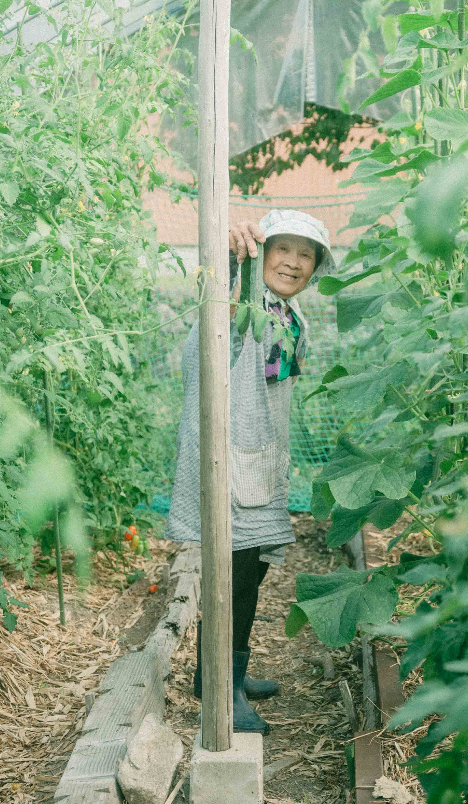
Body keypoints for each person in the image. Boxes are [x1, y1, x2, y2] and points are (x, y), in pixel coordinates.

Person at [164, 208, 334, 734]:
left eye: (306, 255)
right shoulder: (240, 305)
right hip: (227, 460)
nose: (294, 262)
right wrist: (230, 254)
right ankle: (221, 688)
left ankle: (216, 674)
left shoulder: (289, 315)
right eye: (283, 249)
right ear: (262, 252)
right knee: (232, 577)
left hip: (258, 462)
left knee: (250, 570)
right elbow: (223, 320)